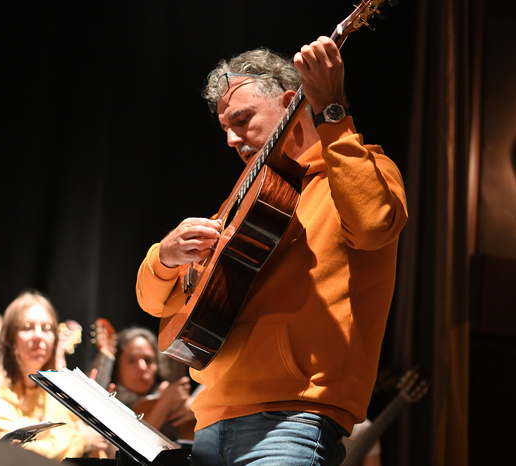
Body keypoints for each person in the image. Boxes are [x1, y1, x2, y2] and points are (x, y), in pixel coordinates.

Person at [135, 36, 408, 466]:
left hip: (294, 421)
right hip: (209, 424)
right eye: (225, 127)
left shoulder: (364, 172)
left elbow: (374, 225)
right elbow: (157, 305)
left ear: (290, 103)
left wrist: (332, 111)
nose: (231, 138)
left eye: (242, 119)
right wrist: (165, 257)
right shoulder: (246, 202)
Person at [0, 290, 106, 461]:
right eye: (27, 327)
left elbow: (96, 443)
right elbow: (24, 454)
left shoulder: (58, 392)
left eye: (47, 328)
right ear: (10, 338)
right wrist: (82, 440)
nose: (38, 335)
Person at [109, 327, 195, 442]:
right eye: (132, 361)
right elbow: (134, 443)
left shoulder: (168, 393)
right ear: (116, 369)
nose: (142, 367)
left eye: (148, 360)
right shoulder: (107, 405)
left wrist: (198, 408)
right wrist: (165, 403)